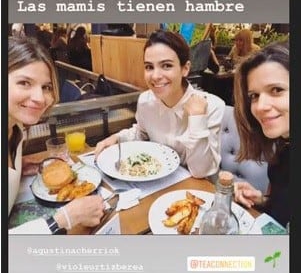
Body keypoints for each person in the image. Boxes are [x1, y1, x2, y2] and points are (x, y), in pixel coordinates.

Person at [95, 30, 225, 179]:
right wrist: (117, 138)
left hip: (195, 192)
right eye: (149, 67)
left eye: (166, 66)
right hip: (156, 184)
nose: (155, 76)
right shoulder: (145, 101)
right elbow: (141, 133)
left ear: (185, 68)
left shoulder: (212, 106)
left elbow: (200, 172)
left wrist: (197, 119)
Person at [8, 36, 104, 234]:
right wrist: (65, 218)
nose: (40, 98)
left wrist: (18, 167)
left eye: (46, 87)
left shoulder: (16, 127)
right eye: (24, 82)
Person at [233, 41, 289, 228]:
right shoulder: (284, 146)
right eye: (254, 96)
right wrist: (261, 200)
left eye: (277, 90)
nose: (260, 107)